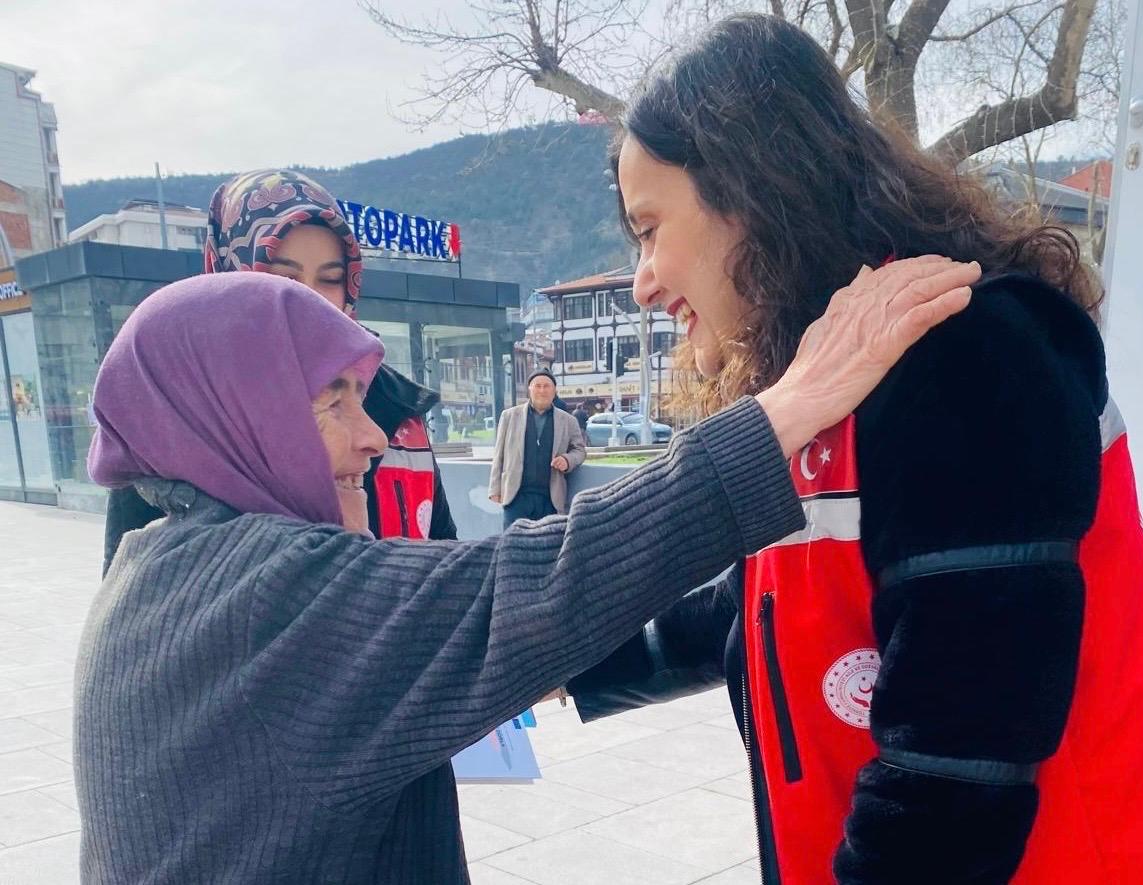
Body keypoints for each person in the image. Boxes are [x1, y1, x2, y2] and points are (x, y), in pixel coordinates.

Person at [76, 254, 974, 883]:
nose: (374, 435)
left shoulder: (156, 573)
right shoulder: (258, 595)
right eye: (329, 401)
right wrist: (794, 403)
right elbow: (533, 588)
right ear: (228, 414)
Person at [564, 14, 1143, 885]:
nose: (642, 279)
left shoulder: (968, 356)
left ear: (750, 193)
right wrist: (554, 655)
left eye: (649, 228)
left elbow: (953, 772)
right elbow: (760, 602)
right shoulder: (832, 378)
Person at [100, 169, 455, 577]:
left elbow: (451, 555)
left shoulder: (398, 411)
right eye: (284, 278)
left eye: (330, 279)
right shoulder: (176, 429)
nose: (309, 299)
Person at [489, 367, 586, 527]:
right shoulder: (509, 416)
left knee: (547, 547)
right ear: (530, 389)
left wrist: (567, 460)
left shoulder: (568, 421)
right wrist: (495, 489)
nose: (542, 390)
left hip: (551, 498)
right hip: (516, 497)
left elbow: (580, 450)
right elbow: (498, 454)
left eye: (547, 386)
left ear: (554, 391)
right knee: (512, 546)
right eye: (537, 386)